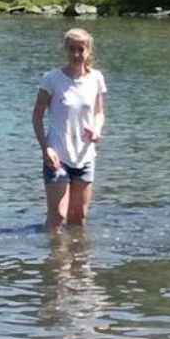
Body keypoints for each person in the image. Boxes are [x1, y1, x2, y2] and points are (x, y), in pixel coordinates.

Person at [33, 27, 107, 230]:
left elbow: (99, 112)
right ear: (65, 50)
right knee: (57, 217)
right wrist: (45, 148)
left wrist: (97, 129)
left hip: (85, 156)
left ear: (88, 51)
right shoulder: (52, 79)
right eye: (71, 49)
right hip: (58, 155)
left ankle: (77, 251)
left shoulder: (96, 78)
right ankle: (51, 250)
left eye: (80, 49)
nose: (76, 54)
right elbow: (37, 117)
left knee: (79, 217)